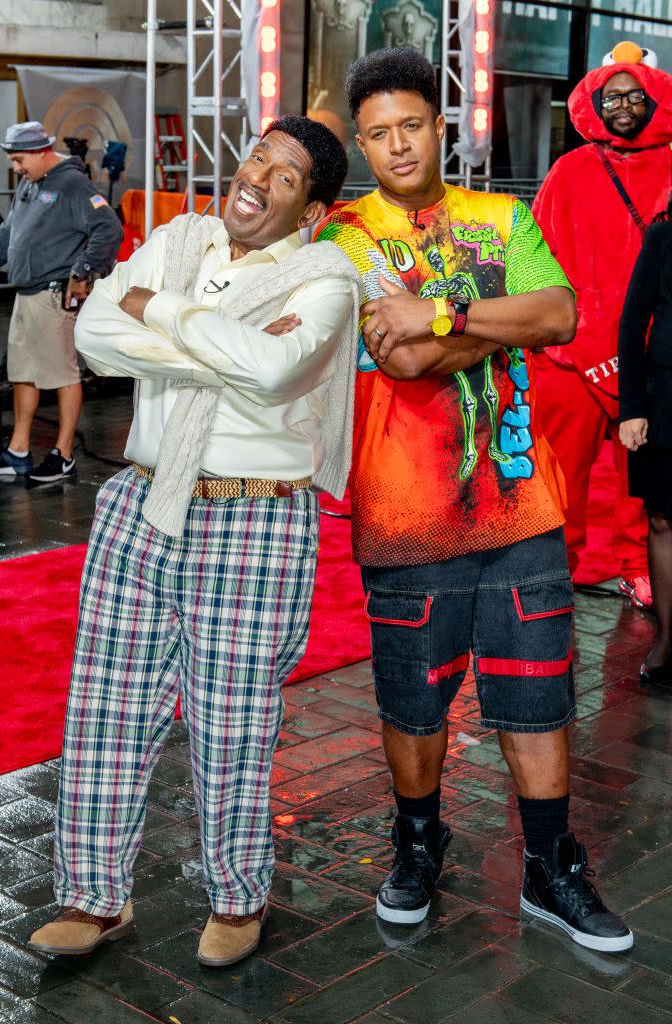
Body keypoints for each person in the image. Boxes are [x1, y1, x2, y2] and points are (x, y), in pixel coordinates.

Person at [315, 47, 633, 952]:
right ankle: (416, 845)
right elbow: (401, 355)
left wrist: (444, 313)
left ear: (439, 126)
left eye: (410, 126)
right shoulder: (344, 237)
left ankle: (548, 868)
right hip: (404, 513)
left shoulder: (502, 214)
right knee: (413, 703)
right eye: (377, 135)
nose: (396, 146)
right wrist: (493, 324)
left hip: (523, 508)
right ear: (366, 146)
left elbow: (562, 315)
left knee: (537, 696)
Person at [27, 116, 361, 966]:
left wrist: (157, 313)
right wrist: (219, 347)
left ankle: (238, 899)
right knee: (106, 706)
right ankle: (94, 899)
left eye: (285, 178)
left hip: (255, 515)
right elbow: (98, 334)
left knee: (231, 721)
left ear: (312, 210)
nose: (258, 179)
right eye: (259, 157)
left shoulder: (325, 279)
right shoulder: (181, 238)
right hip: (142, 498)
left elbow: (277, 371)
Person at [533, 41, 672, 610]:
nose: (621, 105)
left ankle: (639, 568)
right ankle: (553, 568)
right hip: (570, 349)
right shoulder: (569, 169)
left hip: (647, 350)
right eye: (609, 95)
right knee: (561, 470)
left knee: (643, 478)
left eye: (632, 94)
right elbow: (532, 254)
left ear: (653, 99)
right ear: (593, 102)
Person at [0, 121, 123, 482]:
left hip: (52, 297)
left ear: (41, 151)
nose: (16, 167)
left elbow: (109, 229)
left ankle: (63, 455)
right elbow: (9, 231)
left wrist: (82, 271)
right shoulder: (29, 184)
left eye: (20, 160)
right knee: (22, 375)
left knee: (63, 375)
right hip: (25, 294)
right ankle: (18, 452)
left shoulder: (72, 185)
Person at [619, 211, 672, 684]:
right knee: (662, 517)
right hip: (666, 399)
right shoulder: (663, 233)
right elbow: (632, 325)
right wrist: (631, 407)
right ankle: (668, 641)